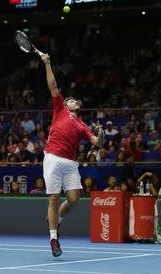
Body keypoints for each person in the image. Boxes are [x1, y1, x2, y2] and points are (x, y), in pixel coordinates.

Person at [39, 52, 105, 257]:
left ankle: (55, 221)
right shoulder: (59, 109)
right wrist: (48, 62)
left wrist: (101, 135)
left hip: (70, 163)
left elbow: (97, 143)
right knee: (53, 198)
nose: (74, 101)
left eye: (76, 100)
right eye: (71, 99)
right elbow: (52, 85)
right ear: (66, 104)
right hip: (53, 157)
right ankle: (53, 239)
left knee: (75, 199)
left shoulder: (83, 125)